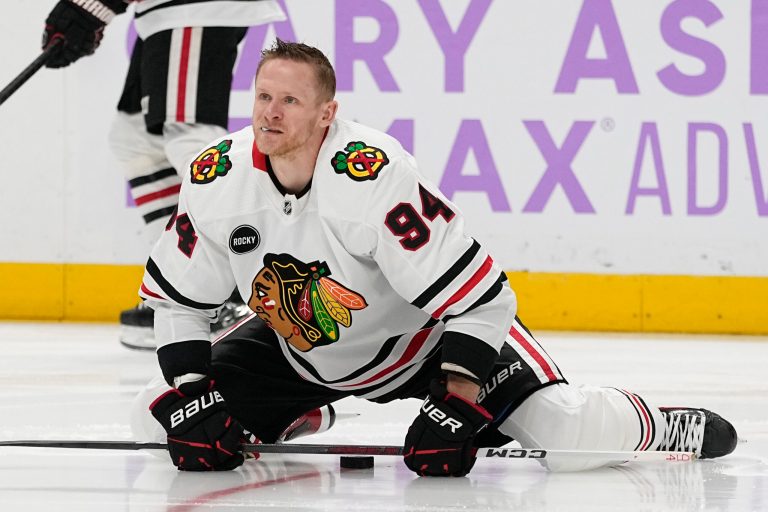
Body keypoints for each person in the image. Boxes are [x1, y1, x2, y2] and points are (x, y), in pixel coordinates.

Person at [130, 39, 738, 475]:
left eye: (290, 100)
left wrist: (457, 401)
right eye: (264, 96)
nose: (270, 113)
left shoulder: (373, 175)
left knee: (565, 435)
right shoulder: (216, 176)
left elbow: (484, 301)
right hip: (304, 349)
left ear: (326, 113)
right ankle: (301, 415)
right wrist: (193, 393)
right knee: (154, 419)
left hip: (426, 345)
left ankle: (661, 426)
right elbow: (179, 300)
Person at [41, 0, 286, 349]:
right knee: (137, 139)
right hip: (165, 13)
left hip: (190, 7)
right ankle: (186, 282)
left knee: (190, 137)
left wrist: (88, 5)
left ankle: (235, 294)